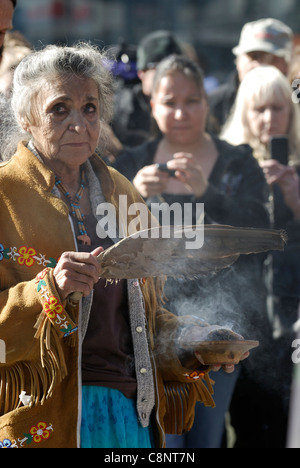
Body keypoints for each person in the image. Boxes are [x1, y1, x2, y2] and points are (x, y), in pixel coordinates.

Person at [0, 42, 246, 449]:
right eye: (59, 109)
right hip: (46, 423)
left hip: (130, 415)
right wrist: (49, 290)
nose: (79, 123)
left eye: (90, 108)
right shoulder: (5, 194)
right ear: (26, 118)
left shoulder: (123, 193)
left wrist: (190, 342)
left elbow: (143, 321)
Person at [114, 55, 271, 448]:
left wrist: (208, 194)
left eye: (192, 100)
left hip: (219, 333)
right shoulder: (130, 164)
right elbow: (106, 241)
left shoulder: (236, 161)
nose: (181, 112)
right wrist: (131, 194)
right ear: (153, 105)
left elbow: (262, 234)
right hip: (150, 332)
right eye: (170, 102)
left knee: (205, 438)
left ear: (207, 102)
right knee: (159, 441)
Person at [221, 65, 300, 447]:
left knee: (282, 422)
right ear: (244, 113)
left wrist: (295, 201)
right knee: (241, 419)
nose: (269, 119)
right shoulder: (228, 166)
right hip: (241, 311)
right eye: (259, 109)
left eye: (278, 108)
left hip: (290, 318)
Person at [208, 18, 294, 135]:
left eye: (270, 58)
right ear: (238, 60)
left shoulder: (297, 101)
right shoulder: (212, 105)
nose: (259, 65)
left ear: (287, 65)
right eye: (254, 56)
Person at [111, 30, 183, 147]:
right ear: (142, 73)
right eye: (160, 69)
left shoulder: (188, 107)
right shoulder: (118, 106)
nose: (169, 78)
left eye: (177, 71)